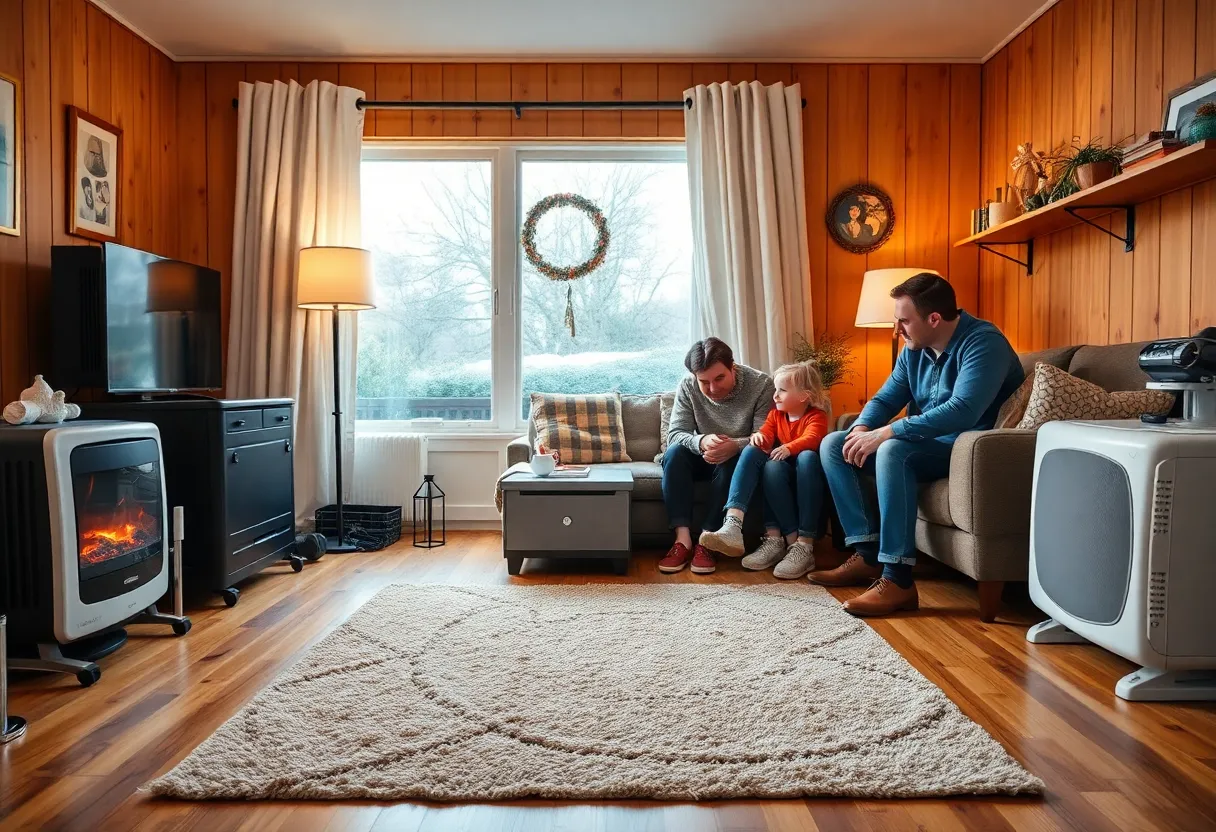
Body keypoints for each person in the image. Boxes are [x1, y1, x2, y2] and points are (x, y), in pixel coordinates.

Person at [808, 273, 1023, 616]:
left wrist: (889, 432)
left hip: (969, 449)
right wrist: (862, 428)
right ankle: (867, 555)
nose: (898, 329)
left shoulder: (984, 342)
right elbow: (887, 397)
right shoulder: (914, 351)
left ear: (934, 318)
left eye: (904, 320)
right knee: (835, 443)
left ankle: (898, 580)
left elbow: (964, 411)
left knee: (894, 449)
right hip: (927, 442)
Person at [699, 361, 830, 579]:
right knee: (762, 458)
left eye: (782, 390)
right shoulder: (776, 415)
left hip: (805, 472)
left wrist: (788, 447)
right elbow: (766, 434)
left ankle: (803, 546)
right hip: (779, 471)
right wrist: (758, 437)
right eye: (776, 390)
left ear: (803, 396)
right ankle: (737, 524)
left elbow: (813, 438)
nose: (775, 395)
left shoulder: (816, 416)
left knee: (806, 457)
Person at [660, 337, 774, 575]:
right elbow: (675, 434)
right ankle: (682, 541)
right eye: (704, 382)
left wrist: (735, 445)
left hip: (738, 459)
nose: (712, 389)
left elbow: (765, 436)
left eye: (719, 378)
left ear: (733, 367)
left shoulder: (762, 384)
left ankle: (708, 541)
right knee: (674, 453)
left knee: (732, 462)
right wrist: (700, 440)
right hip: (703, 453)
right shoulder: (688, 385)